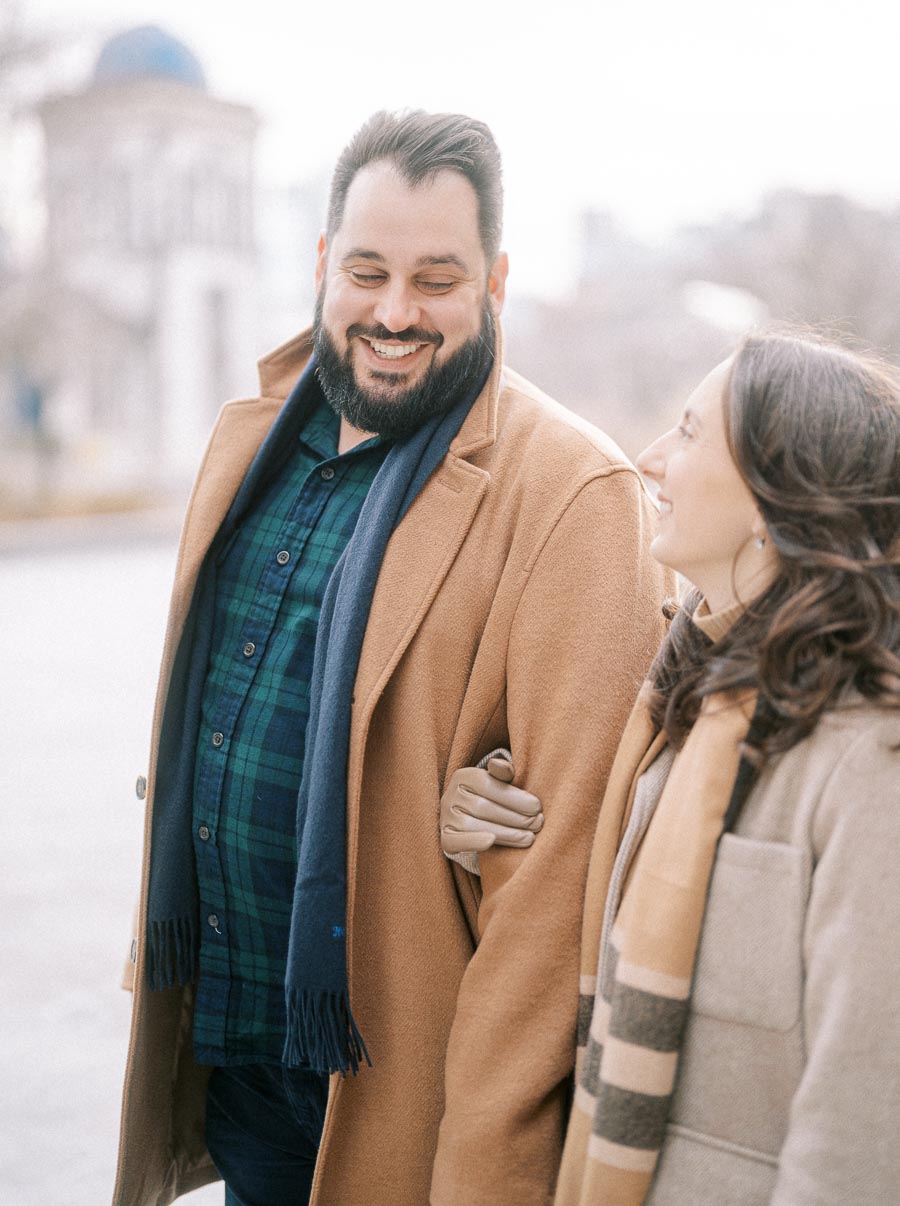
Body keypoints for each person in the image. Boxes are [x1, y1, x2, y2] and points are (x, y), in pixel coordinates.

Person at [112, 109, 671, 1206]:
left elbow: (565, 887)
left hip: (398, 1081)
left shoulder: (572, 494)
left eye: (437, 279)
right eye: (367, 271)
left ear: (495, 281)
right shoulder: (256, 442)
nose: (395, 312)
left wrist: (488, 1154)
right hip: (241, 1036)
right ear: (323, 264)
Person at [442, 330, 900, 1204]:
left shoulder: (872, 753)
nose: (651, 457)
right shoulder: (688, 705)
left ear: (776, 496)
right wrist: (476, 830)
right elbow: (610, 901)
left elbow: (862, 1124)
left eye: (690, 433)